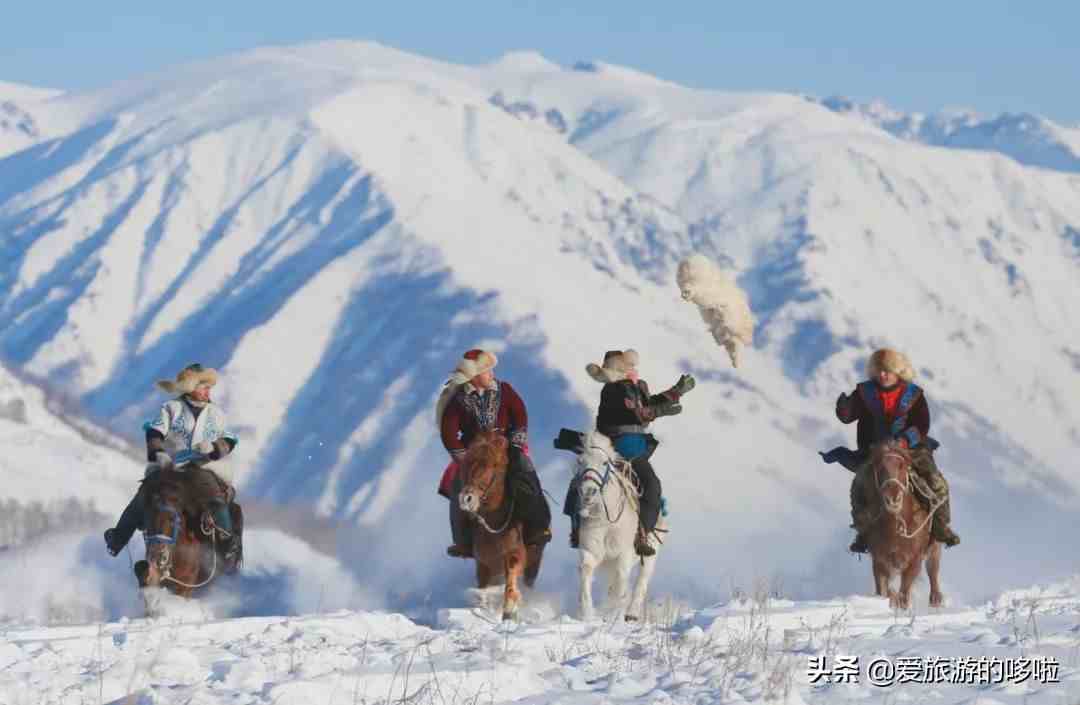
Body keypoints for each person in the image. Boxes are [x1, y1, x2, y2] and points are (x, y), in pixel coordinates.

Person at [104, 363, 243, 572]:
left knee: (214, 497)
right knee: (143, 495)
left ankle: (227, 544)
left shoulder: (217, 414)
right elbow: (154, 432)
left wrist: (213, 448)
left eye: (208, 387)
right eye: (203, 386)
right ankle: (118, 539)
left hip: (203, 467)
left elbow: (230, 440)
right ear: (190, 387)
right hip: (172, 467)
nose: (208, 390)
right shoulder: (171, 408)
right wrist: (158, 453)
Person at [828, 348, 961, 553]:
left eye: (887, 370)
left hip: (911, 450)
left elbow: (922, 424)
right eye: (879, 370)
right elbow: (848, 417)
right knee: (859, 485)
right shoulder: (865, 393)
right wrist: (843, 409)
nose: (883, 374)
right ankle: (863, 532)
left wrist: (906, 440)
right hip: (874, 451)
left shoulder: (913, 395)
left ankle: (941, 527)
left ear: (898, 371)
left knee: (937, 483)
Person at [566, 349, 695, 556]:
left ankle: (639, 531)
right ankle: (589, 529)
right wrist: (662, 410)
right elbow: (640, 413)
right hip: (618, 446)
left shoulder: (635, 386)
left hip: (634, 446)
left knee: (581, 481)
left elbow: (648, 404)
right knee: (651, 484)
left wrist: (676, 392)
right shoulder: (613, 390)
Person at [436, 349, 551, 558]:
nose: (492, 373)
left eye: (491, 369)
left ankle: (537, 527)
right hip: (473, 452)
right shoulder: (458, 399)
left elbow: (520, 415)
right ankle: (463, 541)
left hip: (505, 446)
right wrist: (463, 456)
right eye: (487, 370)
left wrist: (515, 443)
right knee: (457, 487)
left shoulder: (504, 390)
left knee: (527, 473)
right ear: (474, 376)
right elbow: (448, 431)